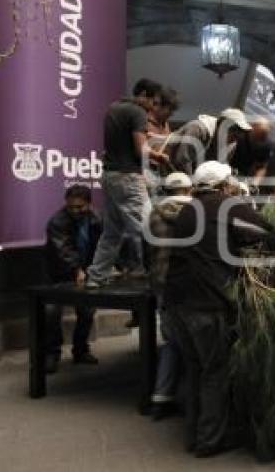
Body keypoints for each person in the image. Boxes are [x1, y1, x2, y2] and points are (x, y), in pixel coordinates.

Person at [166, 161, 275, 457]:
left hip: (177, 303)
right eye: (230, 180)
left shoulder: (190, 209)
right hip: (208, 303)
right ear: (223, 184)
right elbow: (268, 233)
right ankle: (209, 441)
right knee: (215, 372)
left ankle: (193, 436)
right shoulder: (227, 205)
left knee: (194, 370)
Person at [85, 85, 170, 287]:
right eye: (152, 102)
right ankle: (161, 279)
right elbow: (141, 151)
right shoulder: (138, 111)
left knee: (112, 233)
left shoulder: (113, 108)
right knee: (151, 229)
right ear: (142, 95)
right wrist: (159, 156)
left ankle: (95, 277)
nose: (153, 108)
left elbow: (123, 140)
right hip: (128, 178)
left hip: (109, 176)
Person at [147, 172, 193, 420]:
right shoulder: (195, 212)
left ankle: (161, 397)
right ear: (188, 189)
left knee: (170, 341)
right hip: (186, 283)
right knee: (192, 343)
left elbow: (150, 249)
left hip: (162, 283)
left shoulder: (153, 213)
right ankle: (189, 401)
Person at [43, 185, 103, 373]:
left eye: (80, 207)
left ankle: (81, 350)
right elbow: (64, 251)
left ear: (89, 204)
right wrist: (76, 269)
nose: (75, 211)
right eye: (71, 207)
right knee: (51, 313)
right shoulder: (57, 222)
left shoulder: (96, 218)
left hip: (86, 270)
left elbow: (103, 244)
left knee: (86, 311)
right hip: (58, 272)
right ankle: (52, 354)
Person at [167, 108, 253, 176]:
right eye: (233, 129)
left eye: (240, 131)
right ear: (220, 123)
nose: (237, 135)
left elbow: (219, 168)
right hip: (166, 167)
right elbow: (182, 161)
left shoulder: (232, 144)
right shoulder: (198, 129)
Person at [229, 116, 274, 188]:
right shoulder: (239, 134)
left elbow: (261, 167)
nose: (259, 140)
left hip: (244, 175)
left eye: (263, 136)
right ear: (252, 128)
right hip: (227, 168)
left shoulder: (267, 145)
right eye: (258, 135)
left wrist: (255, 183)